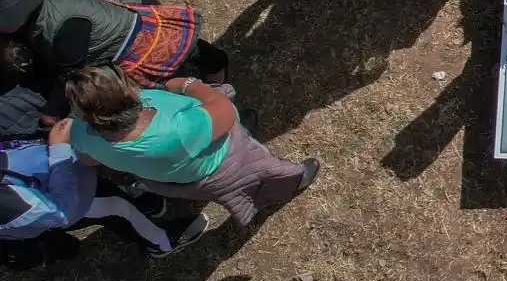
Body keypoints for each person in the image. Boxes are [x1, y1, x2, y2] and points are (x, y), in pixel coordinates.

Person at [0, 0, 232, 138]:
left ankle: (216, 62)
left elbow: (68, 75)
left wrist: (52, 111)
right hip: (105, 2)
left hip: (133, 33)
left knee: (182, 49)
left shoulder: (67, 29)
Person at [63, 66, 318, 227]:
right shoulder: (176, 131)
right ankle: (293, 180)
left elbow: (87, 159)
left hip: (179, 178)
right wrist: (187, 84)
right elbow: (225, 111)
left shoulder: (80, 133)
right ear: (127, 94)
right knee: (262, 164)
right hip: (222, 158)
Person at [1, 123, 207, 263]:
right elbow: (62, 211)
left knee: (110, 191)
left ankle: (141, 206)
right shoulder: (6, 203)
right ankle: (161, 242)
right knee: (117, 207)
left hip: (62, 174)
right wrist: (59, 150)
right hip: (69, 197)